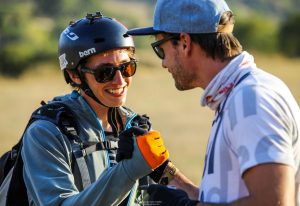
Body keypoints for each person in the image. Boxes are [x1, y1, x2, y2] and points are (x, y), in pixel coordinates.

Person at [126, 0, 300, 205]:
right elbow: (220, 199)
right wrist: (162, 169)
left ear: (184, 42)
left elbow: (272, 202)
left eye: (160, 49)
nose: (163, 62)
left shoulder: (250, 99)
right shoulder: (235, 95)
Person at [21, 11, 170, 206]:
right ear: (75, 75)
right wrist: (127, 172)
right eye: (104, 72)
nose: (120, 80)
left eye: (126, 68)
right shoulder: (47, 133)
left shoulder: (133, 125)